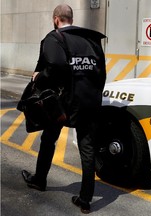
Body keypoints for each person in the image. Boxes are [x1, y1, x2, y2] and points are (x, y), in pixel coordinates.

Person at [21, 4, 106, 214]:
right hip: (89, 103)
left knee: (49, 139)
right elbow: (101, 73)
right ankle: (85, 200)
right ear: (71, 18)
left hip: (63, 104)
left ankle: (39, 180)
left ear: (56, 19)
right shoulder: (91, 41)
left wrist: (39, 77)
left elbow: (56, 65)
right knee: (87, 150)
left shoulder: (54, 38)